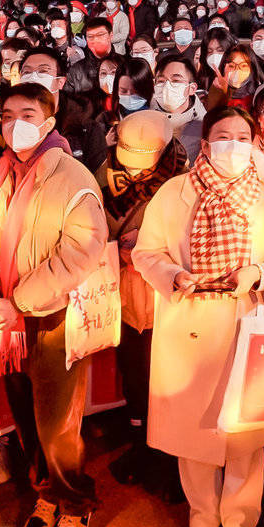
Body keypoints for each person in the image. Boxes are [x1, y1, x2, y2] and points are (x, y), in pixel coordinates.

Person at [134, 105, 264, 527]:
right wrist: (173, 274)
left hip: (246, 323)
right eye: (223, 137)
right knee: (194, 436)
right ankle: (202, 517)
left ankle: (241, 524)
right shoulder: (173, 193)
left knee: (245, 436)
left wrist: (261, 273)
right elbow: (145, 253)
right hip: (188, 325)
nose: (233, 146)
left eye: (242, 138)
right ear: (205, 144)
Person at [0, 82, 106, 527]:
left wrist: (20, 302)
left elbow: (81, 252)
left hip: (53, 316)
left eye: (27, 114)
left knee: (57, 422)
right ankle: (45, 493)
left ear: (50, 122)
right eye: (7, 115)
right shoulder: (2, 173)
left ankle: (74, 502)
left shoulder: (72, 176)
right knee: (27, 415)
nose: (16, 125)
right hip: (10, 319)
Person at [94, 110, 186, 492]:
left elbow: (194, 238)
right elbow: (89, 223)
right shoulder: (103, 173)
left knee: (167, 382)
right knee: (133, 376)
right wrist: (115, 248)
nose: (132, 172)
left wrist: (149, 253)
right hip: (120, 296)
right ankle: (140, 444)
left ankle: (167, 454)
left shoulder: (184, 178)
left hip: (165, 301)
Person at [153, 54, 206, 161]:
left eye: (176, 81)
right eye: (161, 81)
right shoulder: (144, 110)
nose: (167, 87)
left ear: (192, 88)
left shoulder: (203, 125)